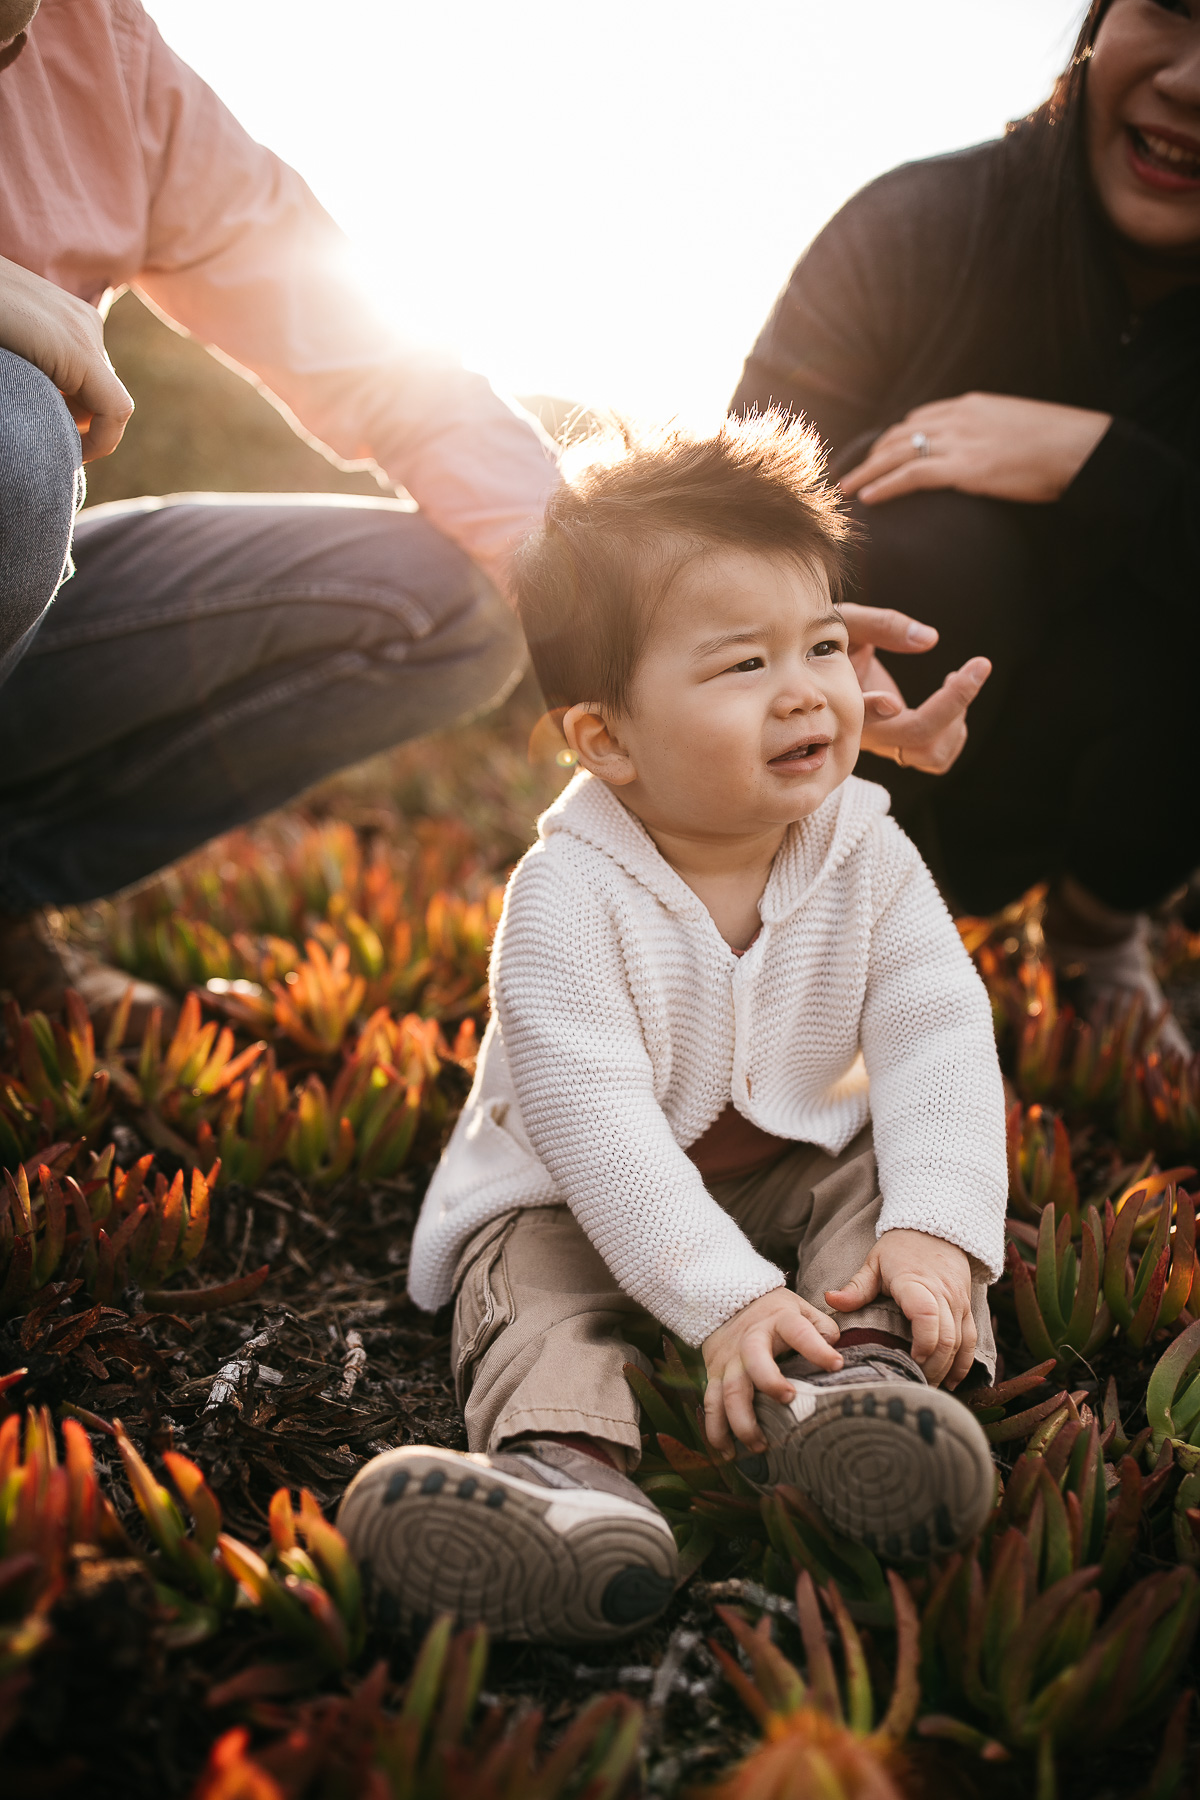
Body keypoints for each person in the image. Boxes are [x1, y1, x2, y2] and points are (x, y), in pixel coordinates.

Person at [0, 0, 991, 1030]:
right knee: (11, 427)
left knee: (456, 600)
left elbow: (383, 370)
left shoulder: (103, 47)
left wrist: (721, 622)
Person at [337, 416, 1004, 1645]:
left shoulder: (865, 842)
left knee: (882, 1173)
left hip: (785, 1165)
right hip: (578, 1195)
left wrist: (936, 1225)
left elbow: (936, 1031)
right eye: (742, 665)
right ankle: (565, 1485)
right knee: (536, 1284)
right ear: (608, 739)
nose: (807, 688)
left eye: (820, 644)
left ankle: (859, 1382)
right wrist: (722, 1300)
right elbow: (593, 1124)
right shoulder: (566, 893)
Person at [731, 0, 1200, 1057]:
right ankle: (824, 931)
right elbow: (727, 526)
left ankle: (1097, 936)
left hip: (1125, 781)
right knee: (929, 537)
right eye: (1170, 6)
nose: (1192, 81)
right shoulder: (917, 223)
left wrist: (1105, 465)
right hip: (861, 753)